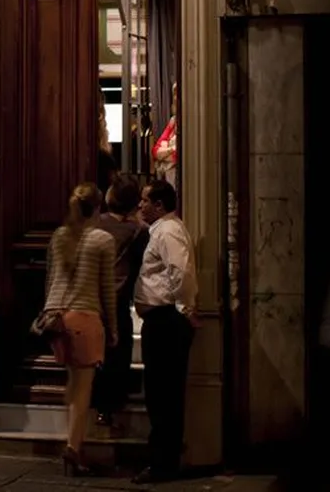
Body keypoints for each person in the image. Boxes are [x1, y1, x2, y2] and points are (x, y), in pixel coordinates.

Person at [37, 183, 117, 477]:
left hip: (55, 317)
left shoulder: (60, 236)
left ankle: (73, 441)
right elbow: (106, 289)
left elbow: (49, 278)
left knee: (72, 382)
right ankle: (73, 448)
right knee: (84, 389)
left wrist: (49, 310)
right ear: (98, 208)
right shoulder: (102, 240)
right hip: (84, 317)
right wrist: (113, 328)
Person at [133, 178, 197, 484]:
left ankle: (164, 464)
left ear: (159, 205)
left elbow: (181, 272)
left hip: (166, 322)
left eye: (145, 200)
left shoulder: (168, 231)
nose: (140, 205)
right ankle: (162, 460)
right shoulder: (159, 231)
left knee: (164, 396)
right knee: (159, 394)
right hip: (160, 321)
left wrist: (182, 310)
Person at [92, 173, 149, 429]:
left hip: (92, 298)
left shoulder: (94, 225)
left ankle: (96, 405)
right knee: (118, 350)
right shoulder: (138, 231)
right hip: (117, 296)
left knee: (96, 353)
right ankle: (113, 403)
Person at [152, 82, 178, 185]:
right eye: (174, 94)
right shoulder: (173, 121)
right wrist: (172, 149)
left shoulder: (190, 123)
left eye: (178, 93)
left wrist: (165, 151)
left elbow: (178, 155)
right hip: (168, 176)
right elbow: (155, 151)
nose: (175, 98)